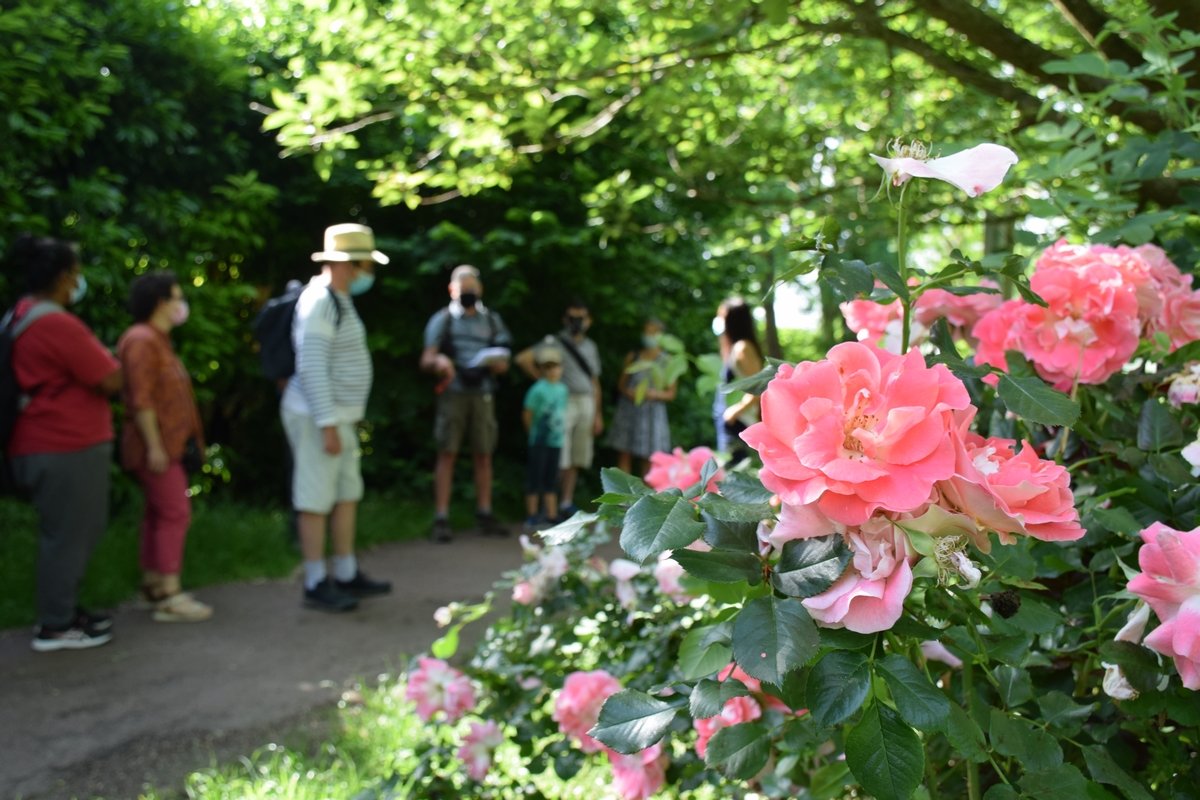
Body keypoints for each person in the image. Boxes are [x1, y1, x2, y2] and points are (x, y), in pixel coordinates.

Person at [5, 235, 122, 651]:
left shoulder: (20, 314)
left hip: (40, 443)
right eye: (74, 273)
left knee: (67, 532)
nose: (77, 281)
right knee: (70, 535)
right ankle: (56, 624)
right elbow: (109, 377)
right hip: (64, 445)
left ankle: (67, 611)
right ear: (61, 276)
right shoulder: (55, 322)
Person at [282, 223, 392, 612]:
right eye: (366, 264)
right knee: (315, 498)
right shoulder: (319, 302)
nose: (369, 273)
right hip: (317, 418)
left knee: (346, 494)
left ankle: (345, 572)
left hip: (338, 419)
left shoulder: (338, 298)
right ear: (349, 263)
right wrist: (327, 423)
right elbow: (311, 366)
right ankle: (315, 580)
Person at [117, 271, 211, 622]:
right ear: (160, 302)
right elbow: (141, 399)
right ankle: (170, 594)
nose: (180, 304)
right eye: (176, 297)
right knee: (175, 512)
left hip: (167, 445)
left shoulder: (157, 340)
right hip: (155, 448)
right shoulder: (141, 340)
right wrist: (154, 446)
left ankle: (153, 583)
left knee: (158, 513)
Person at [420, 265, 513, 542]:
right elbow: (426, 359)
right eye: (463, 290)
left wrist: (498, 364)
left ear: (480, 290)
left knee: (484, 454)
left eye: (472, 289)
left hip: (483, 391)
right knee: (447, 453)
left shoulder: (492, 320)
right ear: (452, 290)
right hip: (454, 392)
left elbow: (504, 362)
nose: (469, 294)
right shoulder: (443, 319)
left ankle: (485, 513)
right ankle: (441, 517)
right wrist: (439, 362)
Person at [514, 299, 602, 518]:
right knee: (559, 455)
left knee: (576, 457)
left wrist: (597, 413)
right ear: (565, 319)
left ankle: (565, 502)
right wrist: (546, 384)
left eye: (581, 318)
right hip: (562, 402)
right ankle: (547, 505)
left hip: (586, 402)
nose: (577, 322)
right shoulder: (555, 342)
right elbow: (523, 358)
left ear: (588, 321)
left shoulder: (591, 347)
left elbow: (594, 381)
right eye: (573, 318)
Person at [607, 318, 676, 476]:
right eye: (646, 331)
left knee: (649, 458)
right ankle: (624, 498)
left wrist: (654, 394)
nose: (648, 335)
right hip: (630, 410)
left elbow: (671, 393)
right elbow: (622, 385)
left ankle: (647, 498)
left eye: (653, 331)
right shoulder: (633, 356)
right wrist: (630, 392)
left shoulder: (668, 361)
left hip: (652, 414)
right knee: (624, 454)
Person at [521, 340, 569, 530]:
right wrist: (532, 432)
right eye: (548, 367)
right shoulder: (537, 389)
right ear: (542, 369)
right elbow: (527, 413)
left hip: (556, 441)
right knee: (535, 476)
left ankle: (551, 514)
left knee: (551, 477)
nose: (552, 371)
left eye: (555, 366)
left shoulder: (563, 389)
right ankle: (532, 515)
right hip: (539, 440)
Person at [713, 297, 764, 463]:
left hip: (740, 422)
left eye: (722, 316)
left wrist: (735, 411)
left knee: (735, 473)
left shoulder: (743, 348)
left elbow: (758, 387)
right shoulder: (733, 348)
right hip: (731, 422)